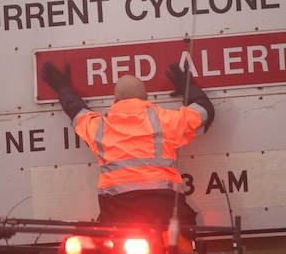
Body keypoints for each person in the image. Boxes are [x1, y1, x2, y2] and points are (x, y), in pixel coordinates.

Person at [40, 61, 215, 231]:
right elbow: (205, 110)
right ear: (146, 98)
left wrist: (62, 88)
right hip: (166, 211)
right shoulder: (166, 121)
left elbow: (76, 110)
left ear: (115, 99)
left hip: (118, 216)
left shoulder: (100, 127)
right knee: (183, 253)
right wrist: (188, 87)